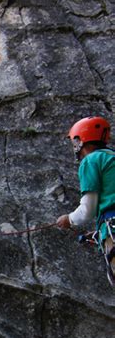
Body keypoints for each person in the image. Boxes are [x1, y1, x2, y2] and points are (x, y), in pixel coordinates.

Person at [57, 116, 115, 280]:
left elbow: (88, 209)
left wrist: (69, 219)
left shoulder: (91, 161)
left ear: (79, 140)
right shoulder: (111, 158)